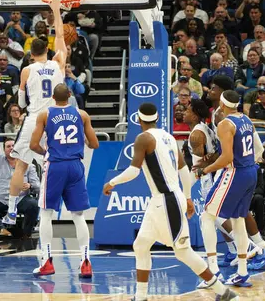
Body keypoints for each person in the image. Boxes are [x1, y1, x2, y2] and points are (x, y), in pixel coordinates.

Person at [102, 103, 237, 301]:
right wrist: (189, 197)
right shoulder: (168, 137)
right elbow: (183, 169)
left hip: (167, 201)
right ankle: (140, 297)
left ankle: (223, 292)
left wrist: (112, 182)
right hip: (163, 200)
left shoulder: (143, 138)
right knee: (141, 245)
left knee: (183, 252)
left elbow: (134, 170)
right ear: (156, 119)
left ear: (139, 120)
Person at [5, 0, 67, 226]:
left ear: (31, 53)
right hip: (56, 119)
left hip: (34, 119)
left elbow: (20, 101)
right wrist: (56, 11)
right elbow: (60, 36)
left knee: (21, 165)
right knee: (52, 165)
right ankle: (47, 211)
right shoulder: (59, 62)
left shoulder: (27, 70)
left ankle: (11, 211)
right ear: (48, 50)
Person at [29, 83, 99, 277]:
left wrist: (46, 152)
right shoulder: (82, 115)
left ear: (52, 97)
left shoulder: (45, 115)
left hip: (55, 165)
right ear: (70, 95)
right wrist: (80, 141)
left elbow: (33, 144)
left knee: (45, 214)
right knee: (78, 216)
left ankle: (47, 262)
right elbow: (94, 143)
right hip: (75, 165)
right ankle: (85, 263)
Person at [195, 90, 259, 288]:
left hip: (235, 173)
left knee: (206, 216)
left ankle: (213, 271)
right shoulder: (246, 119)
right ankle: (242, 272)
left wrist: (206, 169)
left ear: (221, 105)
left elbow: (227, 158)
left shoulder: (225, 124)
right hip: (251, 172)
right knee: (238, 220)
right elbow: (257, 149)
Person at [0, 121, 40, 238]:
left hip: (20, 199)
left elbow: (38, 186)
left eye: (13, 146)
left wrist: (30, 186)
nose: (11, 148)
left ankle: (26, 233)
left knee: (33, 204)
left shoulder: (28, 164)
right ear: (4, 149)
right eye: (8, 146)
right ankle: (0, 230)